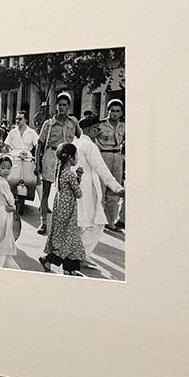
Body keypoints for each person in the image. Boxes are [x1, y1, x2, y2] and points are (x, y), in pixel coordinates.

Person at [73, 112, 124, 265]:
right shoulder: (89, 145)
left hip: (77, 185)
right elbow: (101, 169)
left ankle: (78, 254)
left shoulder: (76, 143)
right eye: (96, 129)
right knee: (97, 223)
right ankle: (78, 255)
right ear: (89, 130)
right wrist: (116, 187)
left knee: (84, 223)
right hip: (87, 187)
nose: (99, 132)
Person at [35, 92, 79, 236]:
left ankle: (63, 225)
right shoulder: (49, 124)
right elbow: (39, 145)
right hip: (50, 156)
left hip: (65, 160)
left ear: (69, 107)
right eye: (59, 105)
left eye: (64, 105)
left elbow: (81, 139)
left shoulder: (73, 123)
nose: (61, 107)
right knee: (46, 191)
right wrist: (37, 164)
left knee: (65, 193)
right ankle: (44, 222)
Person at [39, 143, 85, 275]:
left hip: (60, 209)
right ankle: (48, 260)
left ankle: (69, 269)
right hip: (68, 211)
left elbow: (68, 187)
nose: (77, 158)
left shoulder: (60, 171)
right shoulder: (69, 174)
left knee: (68, 239)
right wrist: (78, 179)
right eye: (76, 155)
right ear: (70, 158)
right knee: (68, 240)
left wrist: (77, 178)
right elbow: (78, 193)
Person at [96, 98, 126, 231]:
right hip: (104, 155)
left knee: (115, 190)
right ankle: (98, 220)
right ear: (107, 111)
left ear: (121, 113)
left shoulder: (124, 126)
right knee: (101, 190)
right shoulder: (100, 125)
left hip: (117, 157)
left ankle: (110, 221)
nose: (114, 113)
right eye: (112, 111)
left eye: (117, 111)